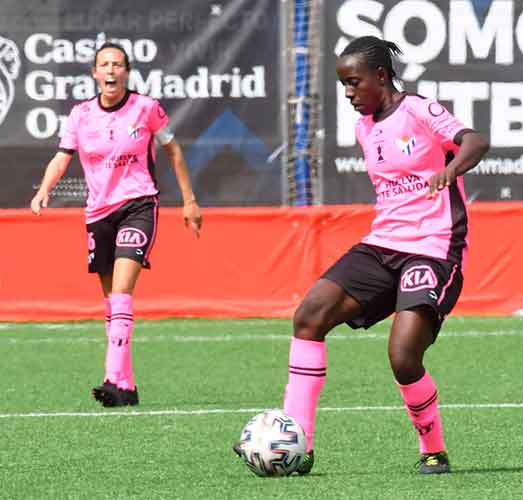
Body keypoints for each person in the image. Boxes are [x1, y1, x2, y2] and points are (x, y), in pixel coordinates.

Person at [234, 35, 488, 475]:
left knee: (403, 355)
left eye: (354, 83)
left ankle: (434, 448)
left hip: (432, 248)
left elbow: (475, 141)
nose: (349, 94)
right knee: (309, 315)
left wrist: (450, 169)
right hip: (383, 243)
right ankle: (299, 444)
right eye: (343, 86)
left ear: (381, 77)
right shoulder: (364, 127)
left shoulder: (419, 110)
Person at [30, 42, 202, 407]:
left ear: (126, 72)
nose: (110, 71)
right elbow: (62, 157)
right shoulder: (80, 115)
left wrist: (189, 201)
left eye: (117, 65)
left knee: (123, 291)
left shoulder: (146, 108)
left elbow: (173, 150)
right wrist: (44, 189)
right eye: (104, 65)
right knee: (111, 301)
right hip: (98, 213)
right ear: (94, 73)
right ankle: (126, 387)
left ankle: (111, 376)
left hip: (139, 204)